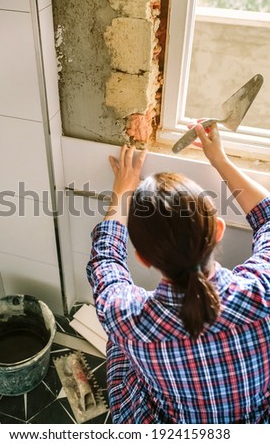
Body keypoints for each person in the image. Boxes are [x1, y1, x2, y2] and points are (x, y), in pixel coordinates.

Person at [86, 123, 270, 424]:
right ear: (218, 230)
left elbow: (105, 261)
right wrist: (220, 160)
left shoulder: (128, 319)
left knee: (119, 344)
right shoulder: (264, 290)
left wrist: (122, 193)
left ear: (143, 259)